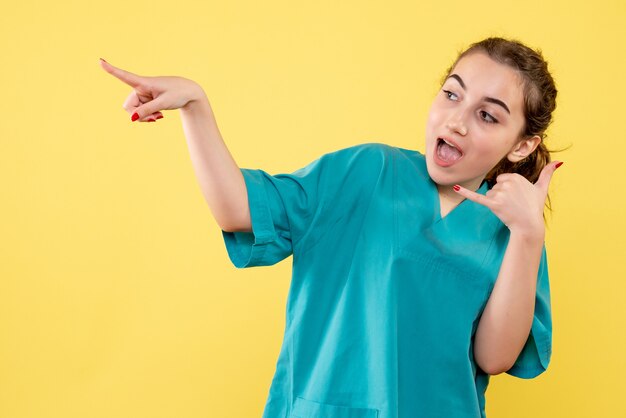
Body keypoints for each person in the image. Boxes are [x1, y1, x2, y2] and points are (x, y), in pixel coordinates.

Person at [100, 36, 562, 418]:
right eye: (451, 94)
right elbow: (239, 209)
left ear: (521, 145)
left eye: (487, 115)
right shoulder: (366, 172)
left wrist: (528, 236)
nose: (457, 121)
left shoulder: (512, 230)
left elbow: (494, 357)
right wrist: (196, 105)